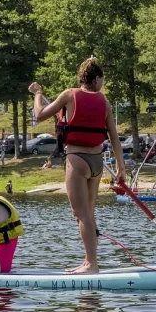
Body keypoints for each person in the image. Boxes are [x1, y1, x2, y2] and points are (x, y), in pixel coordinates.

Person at [30, 58, 123, 275]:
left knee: (81, 215)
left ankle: (91, 264)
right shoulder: (105, 101)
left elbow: (39, 114)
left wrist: (37, 94)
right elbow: (115, 139)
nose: (102, 84)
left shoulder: (69, 95)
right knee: (89, 214)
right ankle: (89, 262)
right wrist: (121, 168)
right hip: (97, 162)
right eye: (102, 80)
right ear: (96, 78)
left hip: (77, 160)